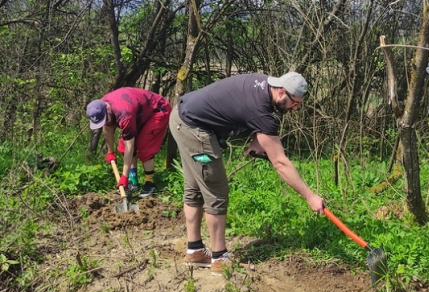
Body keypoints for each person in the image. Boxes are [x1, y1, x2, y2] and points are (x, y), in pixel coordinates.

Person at [169, 71, 325, 275]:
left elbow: (241, 108)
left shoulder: (261, 84)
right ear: (281, 92)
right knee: (216, 190)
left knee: (195, 187)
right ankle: (219, 259)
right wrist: (310, 196)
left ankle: (195, 251)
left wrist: (256, 140)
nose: (294, 109)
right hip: (194, 129)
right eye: (294, 104)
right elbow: (280, 163)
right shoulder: (262, 113)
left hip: (181, 117)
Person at [86, 87, 172, 198]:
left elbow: (130, 147)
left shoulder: (123, 113)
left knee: (144, 147)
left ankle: (150, 184)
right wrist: (110, 152)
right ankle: (133, 182)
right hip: (139, 113)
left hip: (158, 110)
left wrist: (124, 176)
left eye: (105, 119)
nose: (105, 122)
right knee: (122, 147)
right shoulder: (99, 107)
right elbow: (107, 128)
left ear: (107, 108)